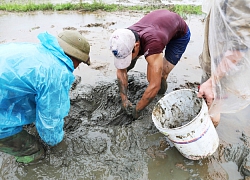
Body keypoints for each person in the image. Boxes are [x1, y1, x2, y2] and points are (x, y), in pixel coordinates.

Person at [0, 30, 90, 163]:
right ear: (74, 57)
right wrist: (58, 145)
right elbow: (50, 121)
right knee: (34, 151)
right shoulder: (55, 73)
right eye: (80, 63)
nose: (77, 67)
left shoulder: (37, 51)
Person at [109, 9, 191, 119]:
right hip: (159, 26)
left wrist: (137, 110)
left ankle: (160, 98)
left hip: (179, 34)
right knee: (128, 65)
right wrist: (124, 99)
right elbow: (121, 70)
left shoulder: (153, 44)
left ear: (136, 46)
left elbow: (154, 85)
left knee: (159, 76)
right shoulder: (124, 38)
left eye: (127, 56)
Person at [197, 0, 250, 127]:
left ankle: (209, 140)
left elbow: (239, 46)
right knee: (209, 104)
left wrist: (212, 81)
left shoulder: (239, 1)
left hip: (223, 68)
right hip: (213, 63)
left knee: (212, 109)